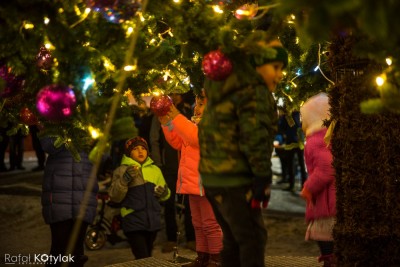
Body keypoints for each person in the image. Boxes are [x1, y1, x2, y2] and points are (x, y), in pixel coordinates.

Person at [198, 37, 288, 267]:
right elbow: (254, 135)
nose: (279, 75)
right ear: (257, 64)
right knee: (252, 239)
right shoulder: (253, 90)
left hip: (212, 178)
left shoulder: (226, 86)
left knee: (234, 240)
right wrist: (262, 177)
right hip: (235, 178)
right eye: (275, 67)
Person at [159, 90, 223, 267]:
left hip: (207, 184)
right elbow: (178, 142)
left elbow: (195, 137)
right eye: (197, 103)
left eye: (201, 104)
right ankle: (203, 257)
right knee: (198, 223)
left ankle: (216, 259)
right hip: (194, 183)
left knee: (210, 223)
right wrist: (165, 121)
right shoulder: (195, 124)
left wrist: (176, 116)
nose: (196, 108)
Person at [108, 136, 170, 259]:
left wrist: (163, 193)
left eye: (143, 148)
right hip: (133, 221)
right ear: (129, 153)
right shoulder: (121, 171)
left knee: (147, 255)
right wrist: (124, 180)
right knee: (142, 257)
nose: (140, 151)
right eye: (136, 149)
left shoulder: (155, 170)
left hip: (152, 221)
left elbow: (166, 193)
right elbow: (114, 196)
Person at [40, 136, 98, 266]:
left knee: (77, 250)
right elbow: (48, 145)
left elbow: (101, 154)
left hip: (83, 191)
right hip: (60, 193)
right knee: (59, 247)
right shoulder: (53, 120)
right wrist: (68, 135)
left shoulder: (90, 121)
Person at [150, 92, 196, 253]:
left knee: (191, 204)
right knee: (168, 203)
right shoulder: (161, 112)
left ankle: (192, 238)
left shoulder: (188, 111)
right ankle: (170, 239)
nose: (174, 96)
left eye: (177, 93)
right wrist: (158, 163)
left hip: (188, 166)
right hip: (168, 165)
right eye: (172, 93)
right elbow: (154, 139)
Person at [299, 92, 336, 267]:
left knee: (327, 244)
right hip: (333, 202)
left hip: (326, 204)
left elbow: (327, 168)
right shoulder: (330, 136)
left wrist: (308, 187)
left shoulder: (315, 140)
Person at [278, 110, 307, 191]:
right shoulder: (300, 113)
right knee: (301, 164)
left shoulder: (287, 115)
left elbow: (281, 126)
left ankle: (291, 185)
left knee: (290, 163)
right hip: (299, 140)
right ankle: (303, 185)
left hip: (290, 141)